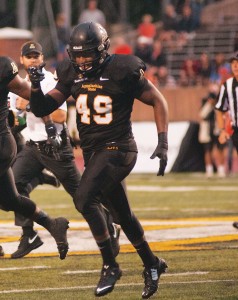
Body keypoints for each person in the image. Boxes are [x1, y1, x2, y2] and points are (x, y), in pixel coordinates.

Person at [28, 22, 168, 299]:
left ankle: (110, 265)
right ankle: (153, 264)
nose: (81, 61)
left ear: (102, 50)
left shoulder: (121, 69)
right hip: (94, 152)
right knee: (122, 216)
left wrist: (163, 141)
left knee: (83, 199)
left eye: (87, 54)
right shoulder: (71, 73)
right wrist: (34, 86)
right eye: (77, 55)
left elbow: (158, 100)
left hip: (119, 148)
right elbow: (44, 107)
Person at [8, 41, 120, 259]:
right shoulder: (18, 84)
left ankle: (110, 224)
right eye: (28, 56)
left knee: (82, 196)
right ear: (21, 60)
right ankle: (29, 234)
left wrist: (30, 105)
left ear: (42, 58)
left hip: (55, 146)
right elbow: (17, 120)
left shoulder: (49, 80)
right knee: (14, 187)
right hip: (32, 145)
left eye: (36, 56)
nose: (32, 59)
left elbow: (61, 115)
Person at [0, 55, 69, 260]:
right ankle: (52, 224)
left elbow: (33, 97)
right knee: (10, 200)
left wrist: (48, 123)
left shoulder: (3, 66)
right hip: (6, 142)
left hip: (1, 143)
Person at [215, 51, 238, 230]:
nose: (235, 66)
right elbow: (220, 108)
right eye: (233, 64)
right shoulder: (227, 85)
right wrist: (222, 129)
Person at [198, 83, 226, 178]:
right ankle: (209, 170)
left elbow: (223, 115)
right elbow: (202, 115)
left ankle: (221, 170)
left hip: (218, 129)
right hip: (207, 129)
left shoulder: (221, 101)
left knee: (220, 149)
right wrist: (209, 104)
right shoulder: (205, 100)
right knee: (208, 150)